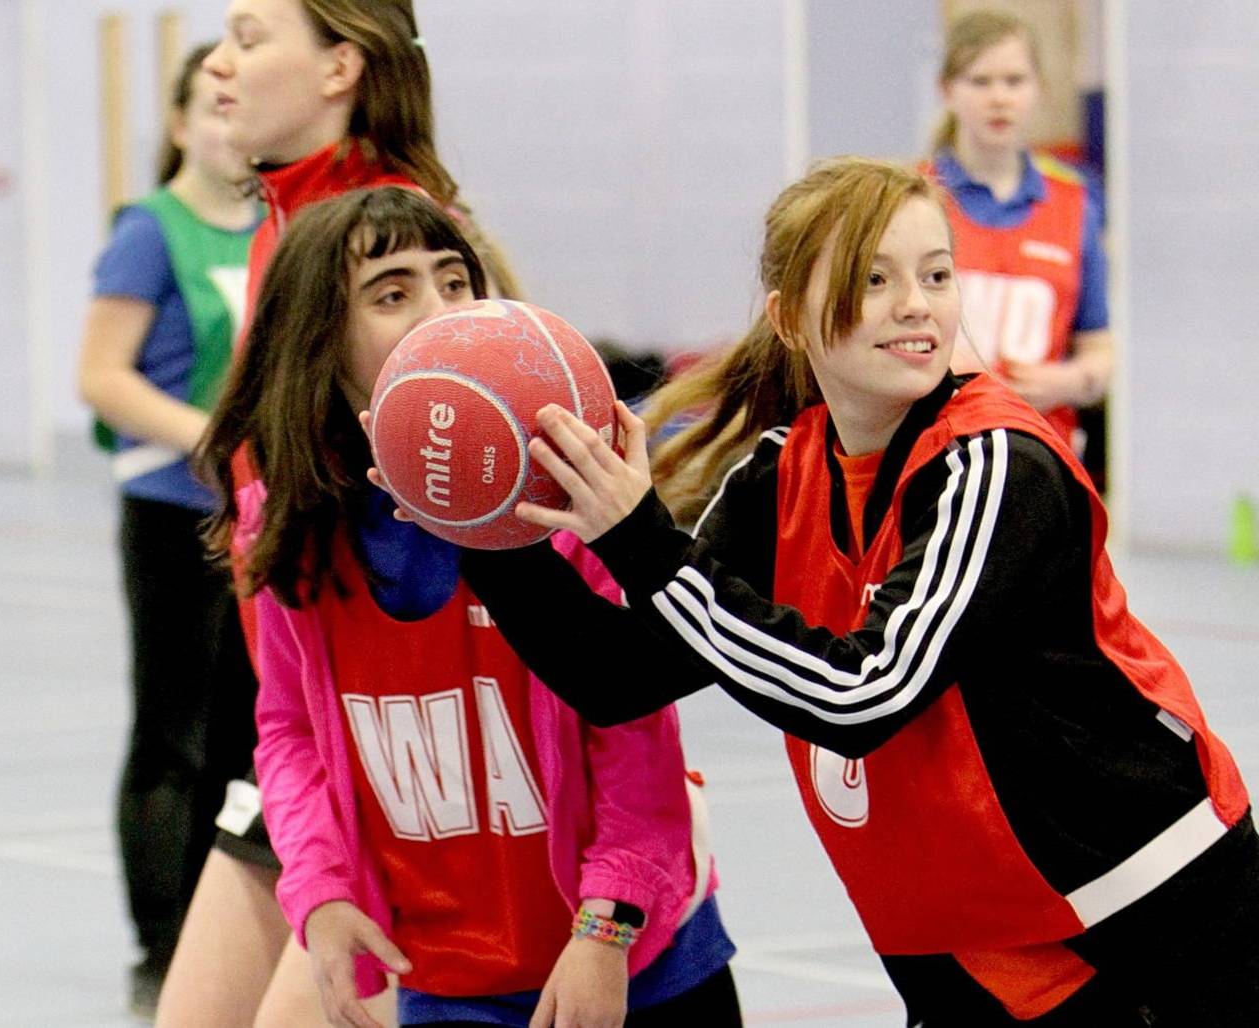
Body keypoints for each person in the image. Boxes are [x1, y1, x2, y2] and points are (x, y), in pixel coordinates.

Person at [441, 157, 1259, 1026]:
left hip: (1143, 913)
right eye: (875, 279)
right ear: (789, 318)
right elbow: (619, 675)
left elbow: (867, 693)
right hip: (959, 926)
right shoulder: (778, 478)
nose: (918, 304)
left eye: (936, 275)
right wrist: (480, 528)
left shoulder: (994, 465)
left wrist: (640, 541)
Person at [198, 185, 741, 1028]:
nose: (439, 310)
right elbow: (290, 732)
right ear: (321, 342)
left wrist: (606, 931)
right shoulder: (290, 529)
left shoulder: (557, 504)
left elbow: (638, 745)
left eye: (456, 283)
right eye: (392, 293)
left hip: (634, 961)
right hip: (447, 976)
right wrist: (321, 893)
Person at [156, 3, 516, 1023]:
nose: (222, 64)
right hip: (299, 724)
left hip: (397, 750)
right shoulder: (292, 225)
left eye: (251, 36)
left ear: (340, 68)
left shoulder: (393, 237)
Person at [75, 42, 263, 1017]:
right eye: (210, 104)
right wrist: (215, 440)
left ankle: (232, 930)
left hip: (256, 518)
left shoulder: (276, 226)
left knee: (247, 732)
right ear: (183, 123)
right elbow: (101, 374)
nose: (231, 120)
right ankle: (163, 939)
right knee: (173, 731)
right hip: (173, 508)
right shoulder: (152, 230)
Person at [926, 9, 1113, 457]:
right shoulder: (914, 198)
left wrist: (1067, 381)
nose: (999, 98)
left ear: (1038, 90)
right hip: (934, 449)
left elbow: (1100, 349)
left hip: (1040, 454)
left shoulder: (1075, 204)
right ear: (948, 91)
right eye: (981, 82)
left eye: (1014, 81)